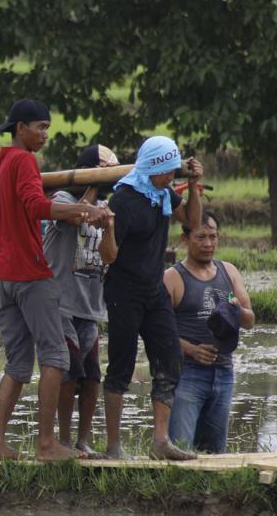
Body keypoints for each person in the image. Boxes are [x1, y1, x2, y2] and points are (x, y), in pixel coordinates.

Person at [0, 99, 109, 462]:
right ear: (20, 128)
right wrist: (85, 210)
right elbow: (36, 206)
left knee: (16, 364)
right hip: (31, 273)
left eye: (47, 127)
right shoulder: (24, 161)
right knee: (56, 358)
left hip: (3, 277)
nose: (45, 135)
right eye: (40, 127)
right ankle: (47, 444)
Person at [98, 135, 204, 461]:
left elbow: (193, 222)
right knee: (121, 364)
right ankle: (114, 446)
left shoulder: (161, 193)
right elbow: (109, 257)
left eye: (175, 170)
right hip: (123, 291)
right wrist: (108, 229)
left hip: (153, 289)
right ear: (151, 167)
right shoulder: (125, 200)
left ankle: (161, 441)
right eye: (166, 171)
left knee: (170, 358)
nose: (171, 176)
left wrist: (195, 184)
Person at [42, 144, 122, 457]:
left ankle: (82, 439)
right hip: (60, 302)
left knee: (91, 377)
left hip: (91, 305)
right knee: (67, 371)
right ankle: (62, 438)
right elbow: (73, 220)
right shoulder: (64, 199)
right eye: (106, 170)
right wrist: (93, 192)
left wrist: (110, 226)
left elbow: (110, 256)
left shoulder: (104, 206)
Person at [164, 210, 254, 453]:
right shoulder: (172, 278)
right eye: (200, 237)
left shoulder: (229, 272)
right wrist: (192, 350)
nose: (208, 244)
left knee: (216, 453)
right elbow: (158, 333)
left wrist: (236, 311)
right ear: (185, 239)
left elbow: (250, 320)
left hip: (224, 371)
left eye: (213, 237)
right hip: (188, 373)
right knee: (181, 448)